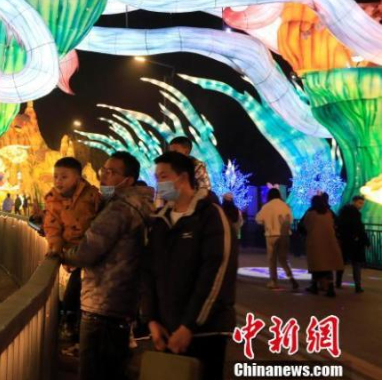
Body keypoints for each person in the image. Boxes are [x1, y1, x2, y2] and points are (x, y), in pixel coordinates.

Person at [59, 151, 155, 380]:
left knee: (95, 371)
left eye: (112, 173)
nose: (104, 177)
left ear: (128, 181)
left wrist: (65, 256)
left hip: (103, 303)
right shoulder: (140, 204)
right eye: (104, 170)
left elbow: (89, 249)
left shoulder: (119, 208)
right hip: (121, 304)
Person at [142, 152, 237, 380]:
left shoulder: (211, 216)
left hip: (205, 333)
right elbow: (148, 272)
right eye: (156, 177)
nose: (158, 183)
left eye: (163, 176)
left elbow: (216, 273)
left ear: (182, 178)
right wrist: (151, 320)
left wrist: (189, 326)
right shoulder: (160, 221)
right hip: (166, 331)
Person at [43, 157, 103, 345]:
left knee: (79, 293)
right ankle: (72, 326)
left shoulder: (92, 195)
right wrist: (56, 248)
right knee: (74, 292)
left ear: (77, 178)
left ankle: (75, 327)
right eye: (56, 177)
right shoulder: (52, 199)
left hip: (92, 251)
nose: (58, 181)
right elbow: (52, 227)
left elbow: (102, 218)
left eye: (64, 177)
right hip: (71, 253)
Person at [254, 188, 298, 290]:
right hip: (284, 235)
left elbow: (258, 219)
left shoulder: (267, 206)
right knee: (283, 258)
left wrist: (267, 223)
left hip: (271, 235)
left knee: (272, 259)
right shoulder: (285, 206)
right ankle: (291, 277)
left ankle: (273, 281)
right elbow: (290, 220)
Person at [300, 194, 343, 297]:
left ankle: (314, 286)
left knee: (316, 265)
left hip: (315, 242)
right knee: (328, 265)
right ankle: (330, 287)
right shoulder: (328, 213)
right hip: (329, 242)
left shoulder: (310, 213)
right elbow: (336, 223)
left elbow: (304, 226)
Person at [335, 195, 370, 293]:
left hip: (344, 241)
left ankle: (338, 282)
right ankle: (357, 286)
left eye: (362, 203)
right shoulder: (355, 214)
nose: (361, 205)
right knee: (356, 264)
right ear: (354, 202)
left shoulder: (343, 212)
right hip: (354, 242)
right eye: (359, 203)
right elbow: (359, 228)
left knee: (342, 263)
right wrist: (365, 240)